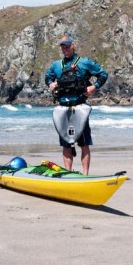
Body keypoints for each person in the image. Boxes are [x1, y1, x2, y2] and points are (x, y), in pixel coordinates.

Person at [44, 35, 108, 174]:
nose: (65, 49)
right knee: (66, 144)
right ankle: (68, 173)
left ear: (74, 46)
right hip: (63, 109)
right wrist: (51, 84)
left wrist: (94, 87)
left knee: (84, 143)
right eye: (62, 46)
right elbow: (47, 77)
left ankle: (85, 174)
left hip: (80, 108)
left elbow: (103, 74)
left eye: (67, 45)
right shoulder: (56, 65)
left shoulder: (85, 62)